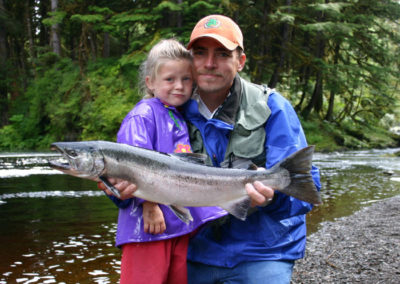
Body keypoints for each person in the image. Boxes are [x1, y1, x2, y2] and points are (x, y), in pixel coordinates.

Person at [101, 15, 321, 284]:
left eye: (222, 54)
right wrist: (120, 192)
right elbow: (144, 176)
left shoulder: (272, 107)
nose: (209, 63)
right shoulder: (168, 108)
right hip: (197, 250)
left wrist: (272, 197)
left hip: (262, 250)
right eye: (200, 53)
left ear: (240, 61)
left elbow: (306, 191)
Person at [106, 39, 227, 284]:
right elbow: (131, 165)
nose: (179, 86)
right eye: (170, 79)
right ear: (150, 82)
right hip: (146, 228)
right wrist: (148, 205)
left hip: (176, 226)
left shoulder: (178, 115)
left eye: (186, 79)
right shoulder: (142, 115)